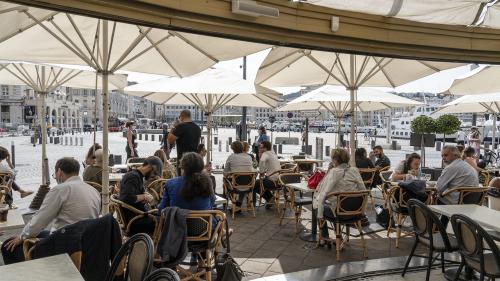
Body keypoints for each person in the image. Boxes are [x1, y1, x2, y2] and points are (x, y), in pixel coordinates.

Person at [1, 157, 100, 264]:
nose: (56, 177)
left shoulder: (60, 190)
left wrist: (21, 237)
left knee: (8, 246)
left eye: (55, 174)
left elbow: (40, 220)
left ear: (60, 172)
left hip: (63, 247)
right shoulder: (93, 191)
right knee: (41, 233)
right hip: (88, 244)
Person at [313, 148, 365, 241]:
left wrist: (328, 172)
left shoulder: (334, 172)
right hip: (356, 212)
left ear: (335, 160)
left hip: (339, 214)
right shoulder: (354, 170)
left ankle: (324, 237)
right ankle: (339, 236)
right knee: (334, 204)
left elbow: (323, 191)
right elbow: (363, 191)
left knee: (318, 205)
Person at [118, 156, 163, 235]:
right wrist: (144, 196)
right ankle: (163, 246)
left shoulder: (137, 176)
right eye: (154, 173)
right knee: (166, 221)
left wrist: (143, 198)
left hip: (137, 216)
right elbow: (126, 198)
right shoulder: (133, 177)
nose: (153, 177)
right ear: (150, 167)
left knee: (164, 216)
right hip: (135, 221)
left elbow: (132, 198)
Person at [168, 110, 201, 175]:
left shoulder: (180, 127)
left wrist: (174, 127)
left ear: (182, 117)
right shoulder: (197, 128)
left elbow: (169, 140)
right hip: (195, 160)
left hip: (183, 161)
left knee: (183, 182)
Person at [254, 140, 281, 207]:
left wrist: (261, 172)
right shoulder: (272, 153)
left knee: (253, 184)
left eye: (262, 147)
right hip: (279, 180)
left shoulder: (265, 154)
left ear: (266, 148)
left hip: (272, 181)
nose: (260, 149)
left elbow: (261, 165)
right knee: (258, 183)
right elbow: (267, 167)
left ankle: (269, 198)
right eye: (260, 147)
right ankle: (270, 198)